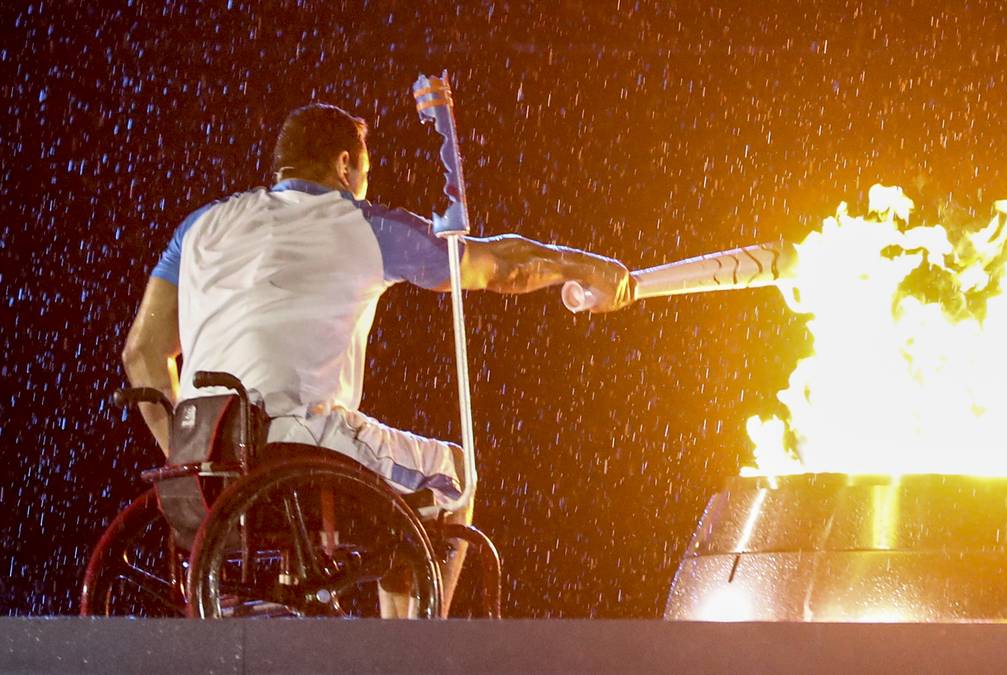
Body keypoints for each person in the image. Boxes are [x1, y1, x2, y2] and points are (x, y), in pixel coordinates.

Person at [120, 102, 633, 616]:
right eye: (367, 171)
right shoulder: (363, 224)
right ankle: (413, 645)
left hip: (205, 459)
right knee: (453, 476)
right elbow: (502, 267)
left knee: (376, 472)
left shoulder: (200, 227)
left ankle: (377, 619)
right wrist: (583, 266)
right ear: (346, 165)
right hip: (294, 444)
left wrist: (189, 455)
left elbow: (142, 353)